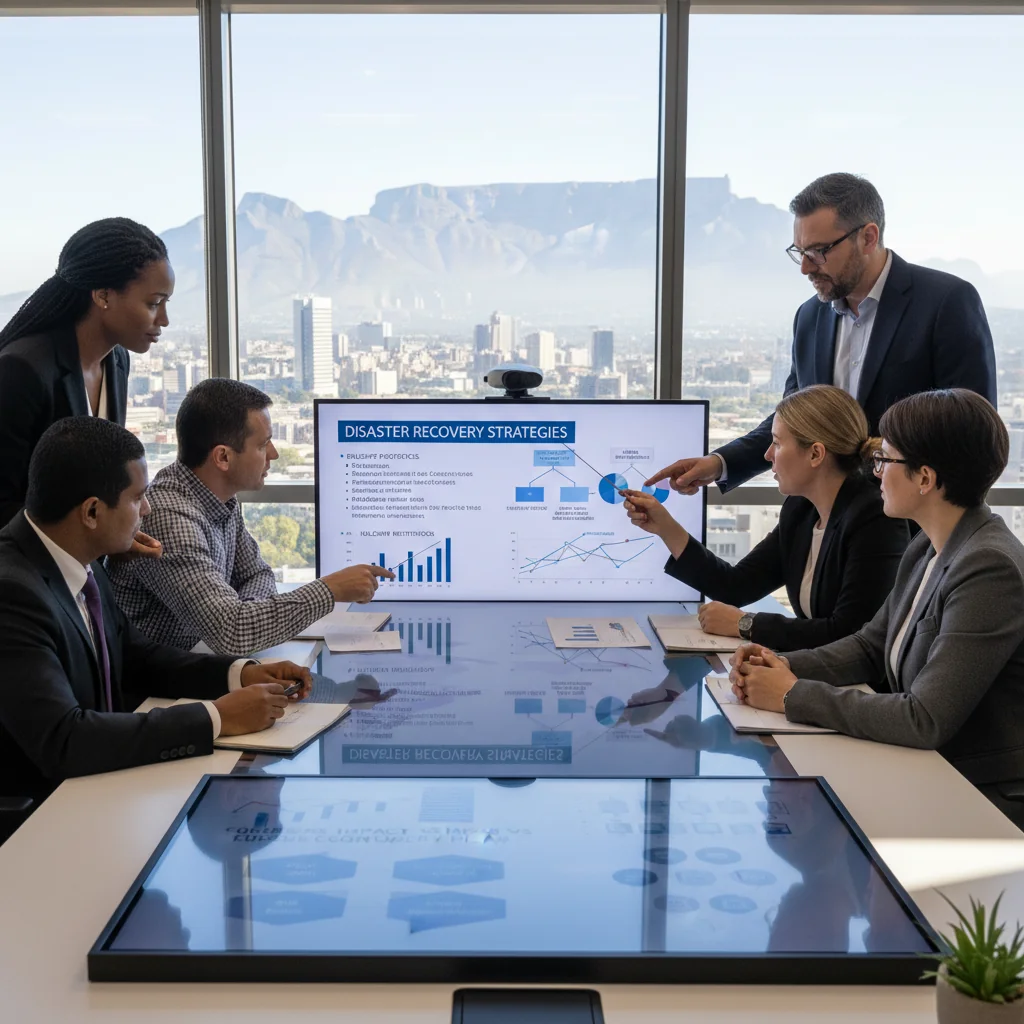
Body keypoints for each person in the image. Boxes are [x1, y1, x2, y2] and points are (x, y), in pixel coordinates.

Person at [729, 390, 1024, 826]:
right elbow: (871, 645)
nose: (875, 472)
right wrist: (778, 664)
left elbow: (925, 718)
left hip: (977, 798)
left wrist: (792, 695)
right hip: (926, 774)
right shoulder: (928, 544)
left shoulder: (988, 567)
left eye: (885, 460)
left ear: (924, 478)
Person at [0, 417, 314, 808]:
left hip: (106, 787)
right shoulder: (12, 593)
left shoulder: (80, 557)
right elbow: (64, 739)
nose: (147, 509)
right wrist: (215, 718)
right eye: (137, 497)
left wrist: (238, 673)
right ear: (92, 512)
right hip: (45, 817)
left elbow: (135, 657)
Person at [647, 173, 997, 496]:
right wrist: (720, 463)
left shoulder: (946, 302)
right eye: (800, 251)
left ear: (868, 237)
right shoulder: (810, 317)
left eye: (818, 251)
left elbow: (971, 433)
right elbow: (794, 421)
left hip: (912, 534)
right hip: (823, 523)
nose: (805, 267)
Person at [109, 378, 395, 656]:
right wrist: (329, 590)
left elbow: (257, 574)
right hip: (153, 686)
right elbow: (232, 633)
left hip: (197, 664)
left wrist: (244, 615)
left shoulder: (218, 497)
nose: (274, 454)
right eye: (262, 445)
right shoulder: (170, 518)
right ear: (223, 457)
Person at [622, 385, 908, 649]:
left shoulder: (875, 518)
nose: (769, 455)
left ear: (816, 454)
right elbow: (737, 585)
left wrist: (745, 624)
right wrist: (665, 527)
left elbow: (849, 634)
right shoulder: (800, 510)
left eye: (777, 443)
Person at [0, 218, 172, 559]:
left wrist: (118, 535)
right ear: (103, 295)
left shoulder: (117, 361)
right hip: (23, 585)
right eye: (154, 303)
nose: (164, 320)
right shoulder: (21, 371)